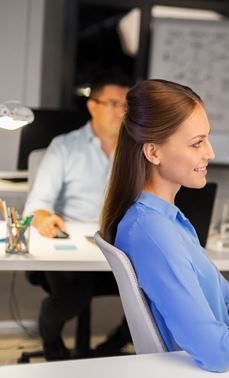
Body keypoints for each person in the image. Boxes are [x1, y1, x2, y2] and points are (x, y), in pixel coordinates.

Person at [99, 79, 229, 372]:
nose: (210, 152)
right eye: (197, 143)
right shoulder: (152, 232)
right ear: (153, 152)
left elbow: (228, 298)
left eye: (207, 139)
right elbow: (216, 351)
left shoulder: (169, 219)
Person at [23, 72, 132, 360]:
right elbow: (38, 204)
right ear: (92, 105)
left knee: (159, 292)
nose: (122, 111)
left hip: (120, 245)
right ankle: (52, 343)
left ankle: (108, 349)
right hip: (74, 248)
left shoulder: (138, 151)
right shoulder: (65, 146)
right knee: (72, 296)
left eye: (126, 105)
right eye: (113, 103)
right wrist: (44, 217)